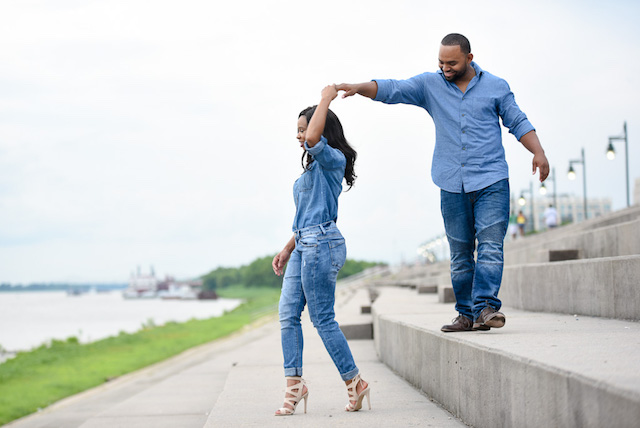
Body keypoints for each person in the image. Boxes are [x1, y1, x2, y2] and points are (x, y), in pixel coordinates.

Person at [337, 33, 549, 333]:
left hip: (491, 180)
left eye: (452, 62)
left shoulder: (496, 87)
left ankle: (486, 307)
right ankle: (466, 314)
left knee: (490, 247)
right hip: (451, 183)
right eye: (441, 62)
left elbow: (518, 121)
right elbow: (394, 89)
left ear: (469, 59)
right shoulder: (430, 85)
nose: (445, 68)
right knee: (461, 255)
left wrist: (538, 152)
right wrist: (359, 88)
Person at [271, 85, 371, 416]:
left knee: (322, 318)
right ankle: (294, 386)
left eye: (303, 129)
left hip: (322, 244)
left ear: (321, 127)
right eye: (298, 130)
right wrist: (287, 248)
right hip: (303, 244)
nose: (300, 136)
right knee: (287, 315)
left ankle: (354, 382)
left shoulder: (331, 159)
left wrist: (325, 98)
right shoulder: (311, 169)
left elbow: (314, 140)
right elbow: (305, 216)